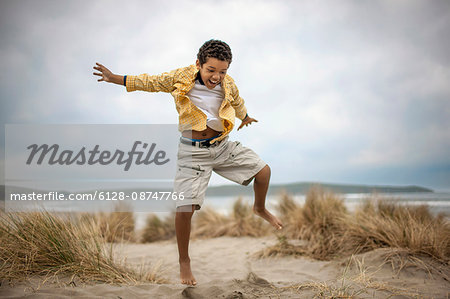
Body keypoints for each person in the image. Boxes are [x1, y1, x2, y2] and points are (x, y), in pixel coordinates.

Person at [93, 39, 283, 286]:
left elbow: (237, 103)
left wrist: (245, 117)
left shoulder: (229, 84)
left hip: (222, 145)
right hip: (192, 152)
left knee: (263, 171)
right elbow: (148, 82)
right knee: (185, 208)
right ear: (198, 64)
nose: (216, 77)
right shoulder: (180, 77)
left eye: (222, 71)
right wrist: (114, 78)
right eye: (211, 70)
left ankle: (259, 208)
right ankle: (185, 262)